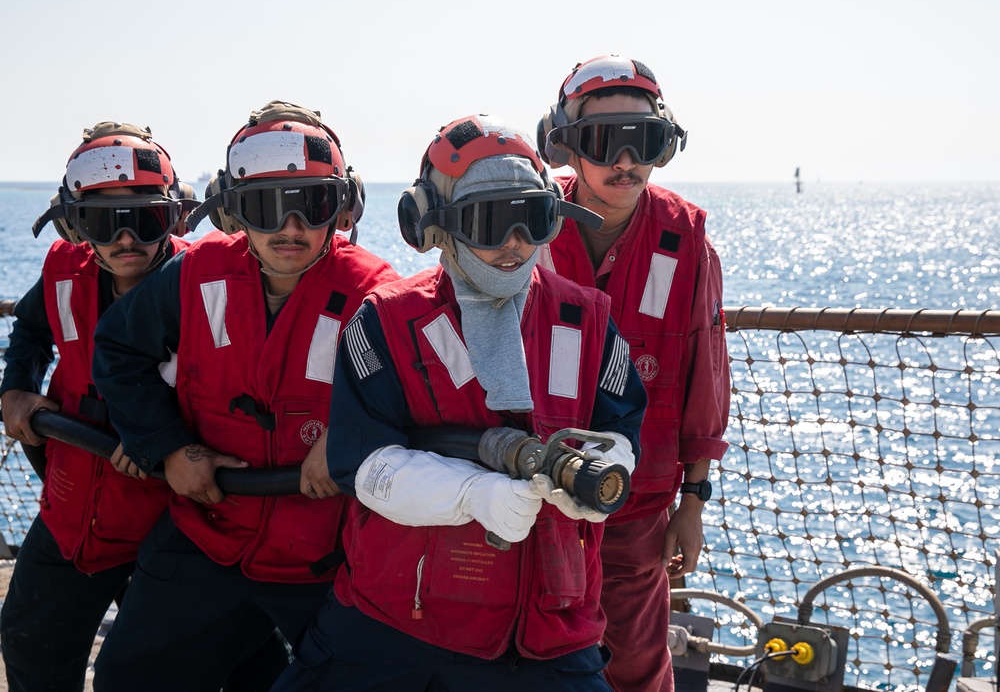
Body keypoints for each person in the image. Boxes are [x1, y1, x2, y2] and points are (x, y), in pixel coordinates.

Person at [271, 114, 648, 691]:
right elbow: (360, 463)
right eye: (490, 223)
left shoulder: (588, 319)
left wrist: (604, 475)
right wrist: (473, 495)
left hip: (548, 627)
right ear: (434, 226)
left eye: (532, 220)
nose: (514, 245)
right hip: (402, 618)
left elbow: (623, 427)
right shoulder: (384, 323)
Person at [88, 101, 399, 691]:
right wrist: (167, 448)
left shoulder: (375, 293)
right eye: (265, 207)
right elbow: (118, 353)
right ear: (234, 210)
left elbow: (414, 397)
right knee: (129, 679)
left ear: (341, 207)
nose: (290, 228)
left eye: (311, 205)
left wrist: (349, 436)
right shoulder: (195, 272)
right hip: (205, 532)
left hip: (324, 551)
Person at [537, 55, 731, 692]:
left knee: (639, 666)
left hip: (637, 503)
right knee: (527, 653)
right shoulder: (527, 225)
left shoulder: (687, 240)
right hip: (531, 495)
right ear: (565, 145)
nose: (625, 161)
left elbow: (706, 373)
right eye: (603, 142)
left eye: (642, 142)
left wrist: (692, 503)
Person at [0, 122, 196, 691]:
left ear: (175, 216)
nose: (125, 239)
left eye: (145, 218)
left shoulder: (208, 285)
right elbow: (32, 330)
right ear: (73, 222)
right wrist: (17, 386)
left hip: (172, 527)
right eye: (102, 221)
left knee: (150, 670)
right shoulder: (63, 274)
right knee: (27, 636)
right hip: (70, 513)